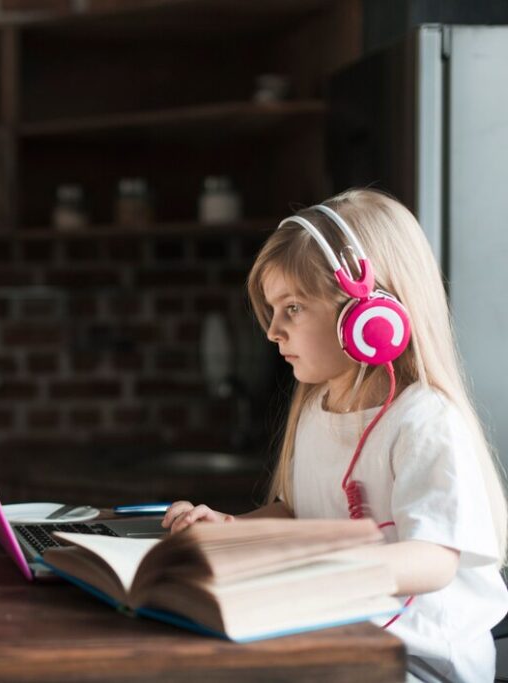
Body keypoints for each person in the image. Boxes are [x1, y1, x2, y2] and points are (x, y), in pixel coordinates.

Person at [162, 189, 507, 682]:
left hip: (417, 662)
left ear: (370, 317)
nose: (273, 331)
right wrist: (233, 531)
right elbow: (304, 513)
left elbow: (433, 561)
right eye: (272, 310)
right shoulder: (319, 409)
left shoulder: (424, 421)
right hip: (338, 640)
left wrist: (315, 565)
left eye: (293, 308)